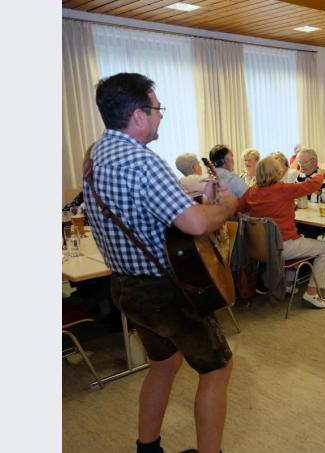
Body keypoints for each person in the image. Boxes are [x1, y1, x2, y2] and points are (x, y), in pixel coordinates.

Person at [84, 73, 237, 453]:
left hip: (125, 286)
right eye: (157, 109)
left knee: (164, 364)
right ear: (138, 115)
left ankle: (147, 448)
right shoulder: (141, 160)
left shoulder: (95, 153)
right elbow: (196, 223)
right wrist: (227, 206)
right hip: (164, 290)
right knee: (217, 369)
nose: (161, 117)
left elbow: (154, 217)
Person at [236, 157, 325, 308]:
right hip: (282, 246)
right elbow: (310, 185)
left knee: (298, 239)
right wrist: (320, 173)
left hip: (260, 249)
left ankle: (287, 284)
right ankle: (312, 293)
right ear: (276, 172)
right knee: (324, 248)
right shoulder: (283, 189)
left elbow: (237, 209)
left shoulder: (251, 191)